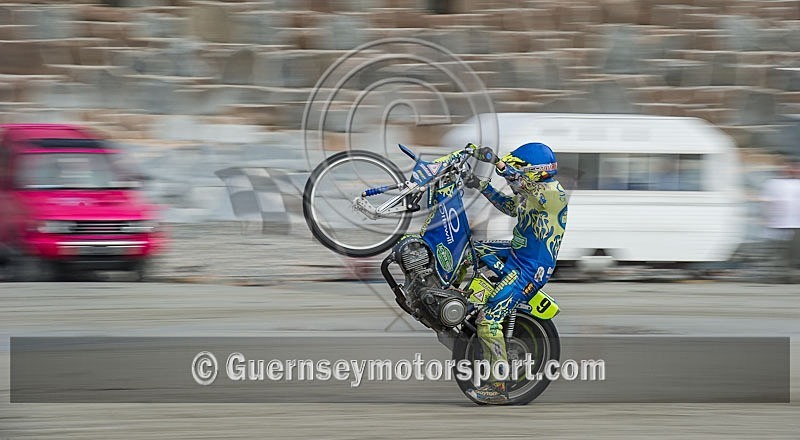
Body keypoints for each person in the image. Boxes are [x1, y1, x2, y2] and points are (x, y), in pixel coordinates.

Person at [463, 142, 569, 403]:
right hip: (515, 253)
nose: (515, 173)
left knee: (488, 320)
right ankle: (455, 295)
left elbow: (524, 186)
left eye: (520, 168)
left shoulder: (553, 193)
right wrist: (479, 184)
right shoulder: (531, 193)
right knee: (471, 250)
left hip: (529, 270)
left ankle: (498, 386)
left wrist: (498, 163)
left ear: (535, 170)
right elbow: (511, 207)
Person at [760, 158, 800, 282]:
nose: (793, 170)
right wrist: (765, 217)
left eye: (796, 167)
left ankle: (792, 275)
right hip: (779, 223)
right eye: (790, 167)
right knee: (779, 252)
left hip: (797, 224)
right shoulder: (773, 183)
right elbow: (766, 202)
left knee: (795, 252)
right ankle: (779, 275)